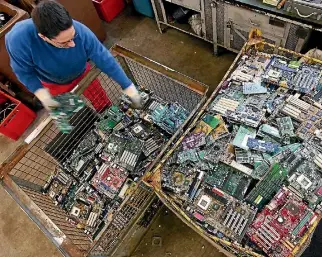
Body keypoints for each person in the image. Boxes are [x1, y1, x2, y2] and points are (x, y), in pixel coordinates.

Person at [5, 0, 141, 110]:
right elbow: (23, 72)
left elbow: (104, 58)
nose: (72, 44)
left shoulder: (81, 31)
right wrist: (42, 94)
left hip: (83, 73)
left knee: (101, 102)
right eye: (64, 42)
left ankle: (105, 113)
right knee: (71, 112)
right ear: (43, 37)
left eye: (73, 36)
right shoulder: (18, 40)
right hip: (53, 84)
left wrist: (127, 86)